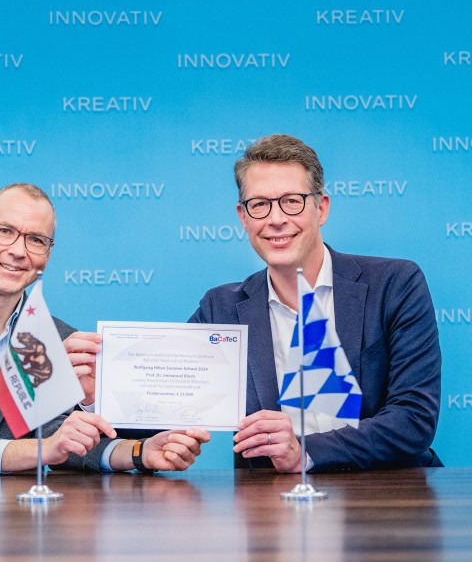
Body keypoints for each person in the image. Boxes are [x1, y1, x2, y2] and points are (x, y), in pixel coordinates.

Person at [0, 183, 209, 474]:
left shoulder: (59, 339)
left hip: (7, 517)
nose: (18, 251)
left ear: (47, 253)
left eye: (35, 240)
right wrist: (44, 449)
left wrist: (139, 452)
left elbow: (65, 439)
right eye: (5, 231)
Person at [189, 134, 442, 472]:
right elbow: (159, 408)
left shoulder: (396, 284)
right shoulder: (219, 308)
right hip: (271, 508)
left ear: (321, 208)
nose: (276, 218)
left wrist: (303, 452)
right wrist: (95, 392)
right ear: (243, 217)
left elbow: (414, 418)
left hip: (389, 500)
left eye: (292, 201)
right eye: (260, 204)